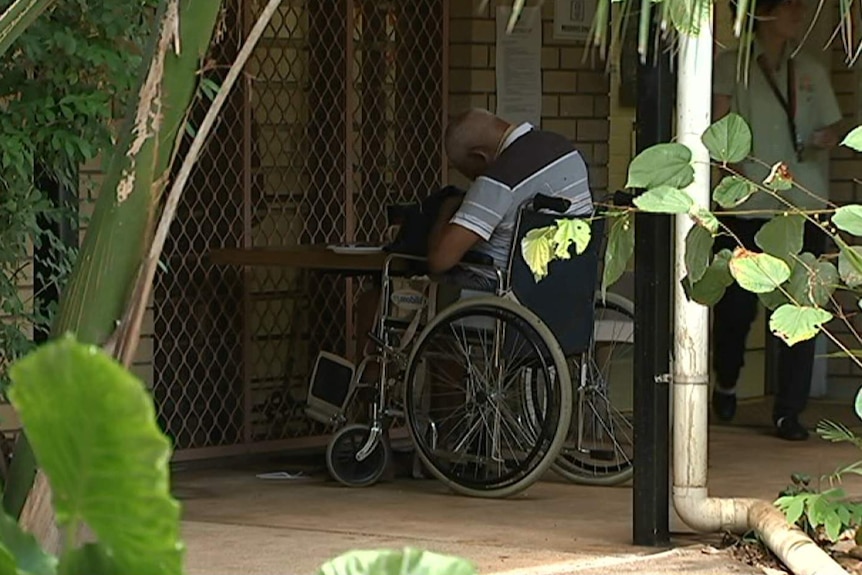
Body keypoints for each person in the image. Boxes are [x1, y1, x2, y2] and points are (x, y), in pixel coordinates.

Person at [354, 108, 595, 361]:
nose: (472, 180)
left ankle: (385, 389)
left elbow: (440, 259)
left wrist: (449, 207)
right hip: (566, 290)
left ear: (479, 156)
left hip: (510, 295)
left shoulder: (501, 178)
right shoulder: (565, 149)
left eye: (467, 171)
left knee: (377, 300)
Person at [711, 0, 844, 440]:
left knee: (804, 304)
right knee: (736, 308)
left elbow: (834, 125)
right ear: (764, 13)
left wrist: (826, 137)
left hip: (804, 202)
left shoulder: (808, 69)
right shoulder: (734, 65)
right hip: (748, 203)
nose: (798, 16)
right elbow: (717, 123)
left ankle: (789, 410)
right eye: (789, 8)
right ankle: (726, 381)